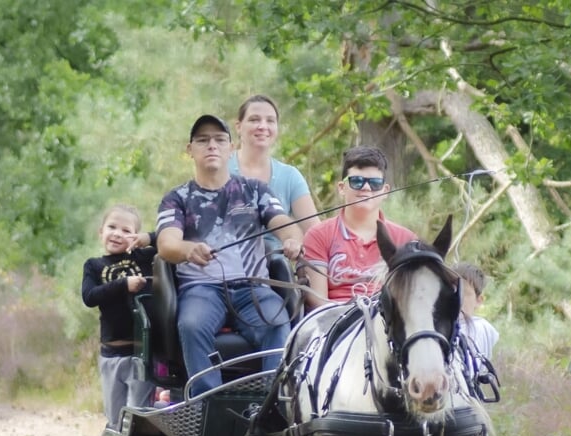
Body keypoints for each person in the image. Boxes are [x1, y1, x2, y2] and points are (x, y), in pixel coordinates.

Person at [156, 114, 304, 395]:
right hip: (200, 289)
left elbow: (281, 222)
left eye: (219, 140)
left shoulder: (254, 190)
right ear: (190, 150)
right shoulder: (176, 198)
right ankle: (208, 405)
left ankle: (271, 404)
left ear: (230, 147)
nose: (211, 145)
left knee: (278, 320)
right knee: (191, 325)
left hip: (253, 289)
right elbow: (166, 244)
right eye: (202, 140)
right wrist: (189, 249)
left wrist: (292, 240)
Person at [301, 145, 417, 308]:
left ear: (385, 191)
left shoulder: (406, 240)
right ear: (342, 188)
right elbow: (316, 299)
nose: (366, 188)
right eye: (356, 181)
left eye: (375, 183)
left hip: (386, 324)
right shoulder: (318, 235)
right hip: (333, 323)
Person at [81, 204, 158, 426]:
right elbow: (89, 297)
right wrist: (123, 284)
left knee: (138, 418)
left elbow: (165, 240)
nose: (117, 233)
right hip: (111, 354)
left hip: (141, 354)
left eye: (126, 230)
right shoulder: (94, 266)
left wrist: (148, 237)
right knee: (115, 418)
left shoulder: (143, 258)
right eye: (112, 227)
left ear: (135, 236)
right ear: (101, 231)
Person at [227, 94, 320, 249]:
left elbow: (314, 231)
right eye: (254, 119)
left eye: (270, 121)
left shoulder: (290, 176)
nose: (263, 126)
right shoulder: (220, 168)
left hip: (275, 267)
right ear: (238, 126)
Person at [452, 262, 499, 359]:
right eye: (452, 290)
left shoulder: (481, 328)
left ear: (478, 301)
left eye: (464, 293)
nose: (457, 297)